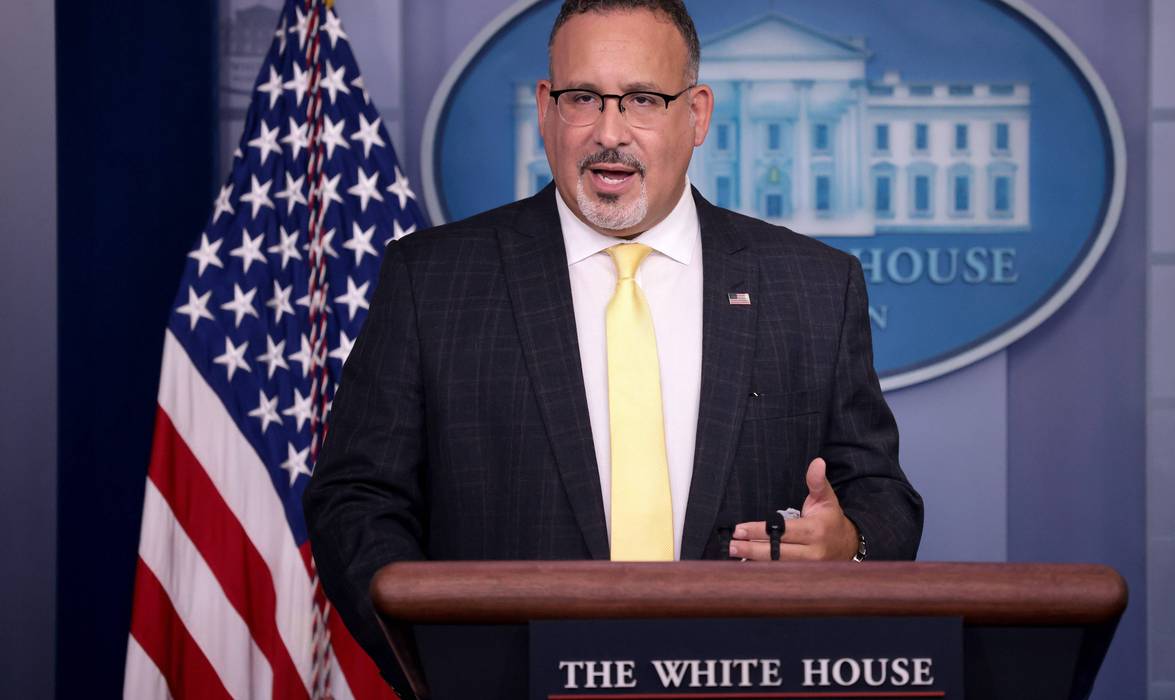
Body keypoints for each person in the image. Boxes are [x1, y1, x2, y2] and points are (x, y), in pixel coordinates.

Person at [305, 0, 922, 692]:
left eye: (641, 100)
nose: (608, 133)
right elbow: (355, 499)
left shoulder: (811, 284)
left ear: (695, 114)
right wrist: (440, 663)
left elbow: (880, 495)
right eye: (583, 98)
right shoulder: (433, 279)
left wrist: (849, 545)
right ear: (545, 107)